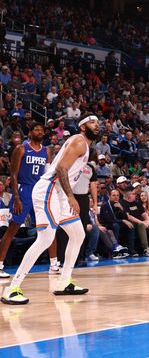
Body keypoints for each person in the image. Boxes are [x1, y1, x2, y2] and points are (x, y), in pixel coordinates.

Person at [2, 115, 101, 305]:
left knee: (78, 234)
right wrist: (71, 197)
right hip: (50, 189)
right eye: (91, 122)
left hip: (60, 193)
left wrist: (67, 196)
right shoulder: (79, 141)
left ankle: (64, 282)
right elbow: (62, 169)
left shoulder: (86, 145)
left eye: (97, 123)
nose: (96, 125)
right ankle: (12, 288)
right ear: (82, 127)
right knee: (45, 238)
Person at [0, 123, 61, 279]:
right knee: (12, 229)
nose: (39, 132)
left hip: (40, 191)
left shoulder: (46, 151)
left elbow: (48, 174)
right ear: (30, 132)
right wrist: (17, 197)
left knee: (49, 227)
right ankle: (0, 265)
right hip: (24, 190)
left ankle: (54, 265)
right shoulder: (21, 148)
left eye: (41, 130)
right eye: (36, 129)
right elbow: (13, 175)